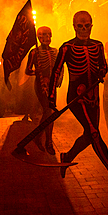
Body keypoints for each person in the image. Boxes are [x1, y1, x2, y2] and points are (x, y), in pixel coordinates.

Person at [48, 11, 108, 192]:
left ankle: (68, 156)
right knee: (94, 132)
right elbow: (56, 72)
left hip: (94, 96)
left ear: (91, 25)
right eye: (80, 26)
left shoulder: (97, 46)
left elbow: (103, 65)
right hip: (76, 97)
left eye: (87, 25)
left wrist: (101, 72)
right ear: (74, 26)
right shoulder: (66, 47)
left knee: (90, 134)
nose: (83, 29)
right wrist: (51, 97)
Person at [25, 26, 63, 155]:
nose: (47, 38)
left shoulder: (55, 51)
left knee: (50, 112)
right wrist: (38, 72)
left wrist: (59, 78)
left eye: (49, 35)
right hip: (41, 85)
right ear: (38, 37)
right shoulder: (34, 52)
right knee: (49, 111)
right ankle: (48, 141)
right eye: (43, 35)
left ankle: (40, 137)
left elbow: (59, 66)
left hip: (52, 85)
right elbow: (28, 70)